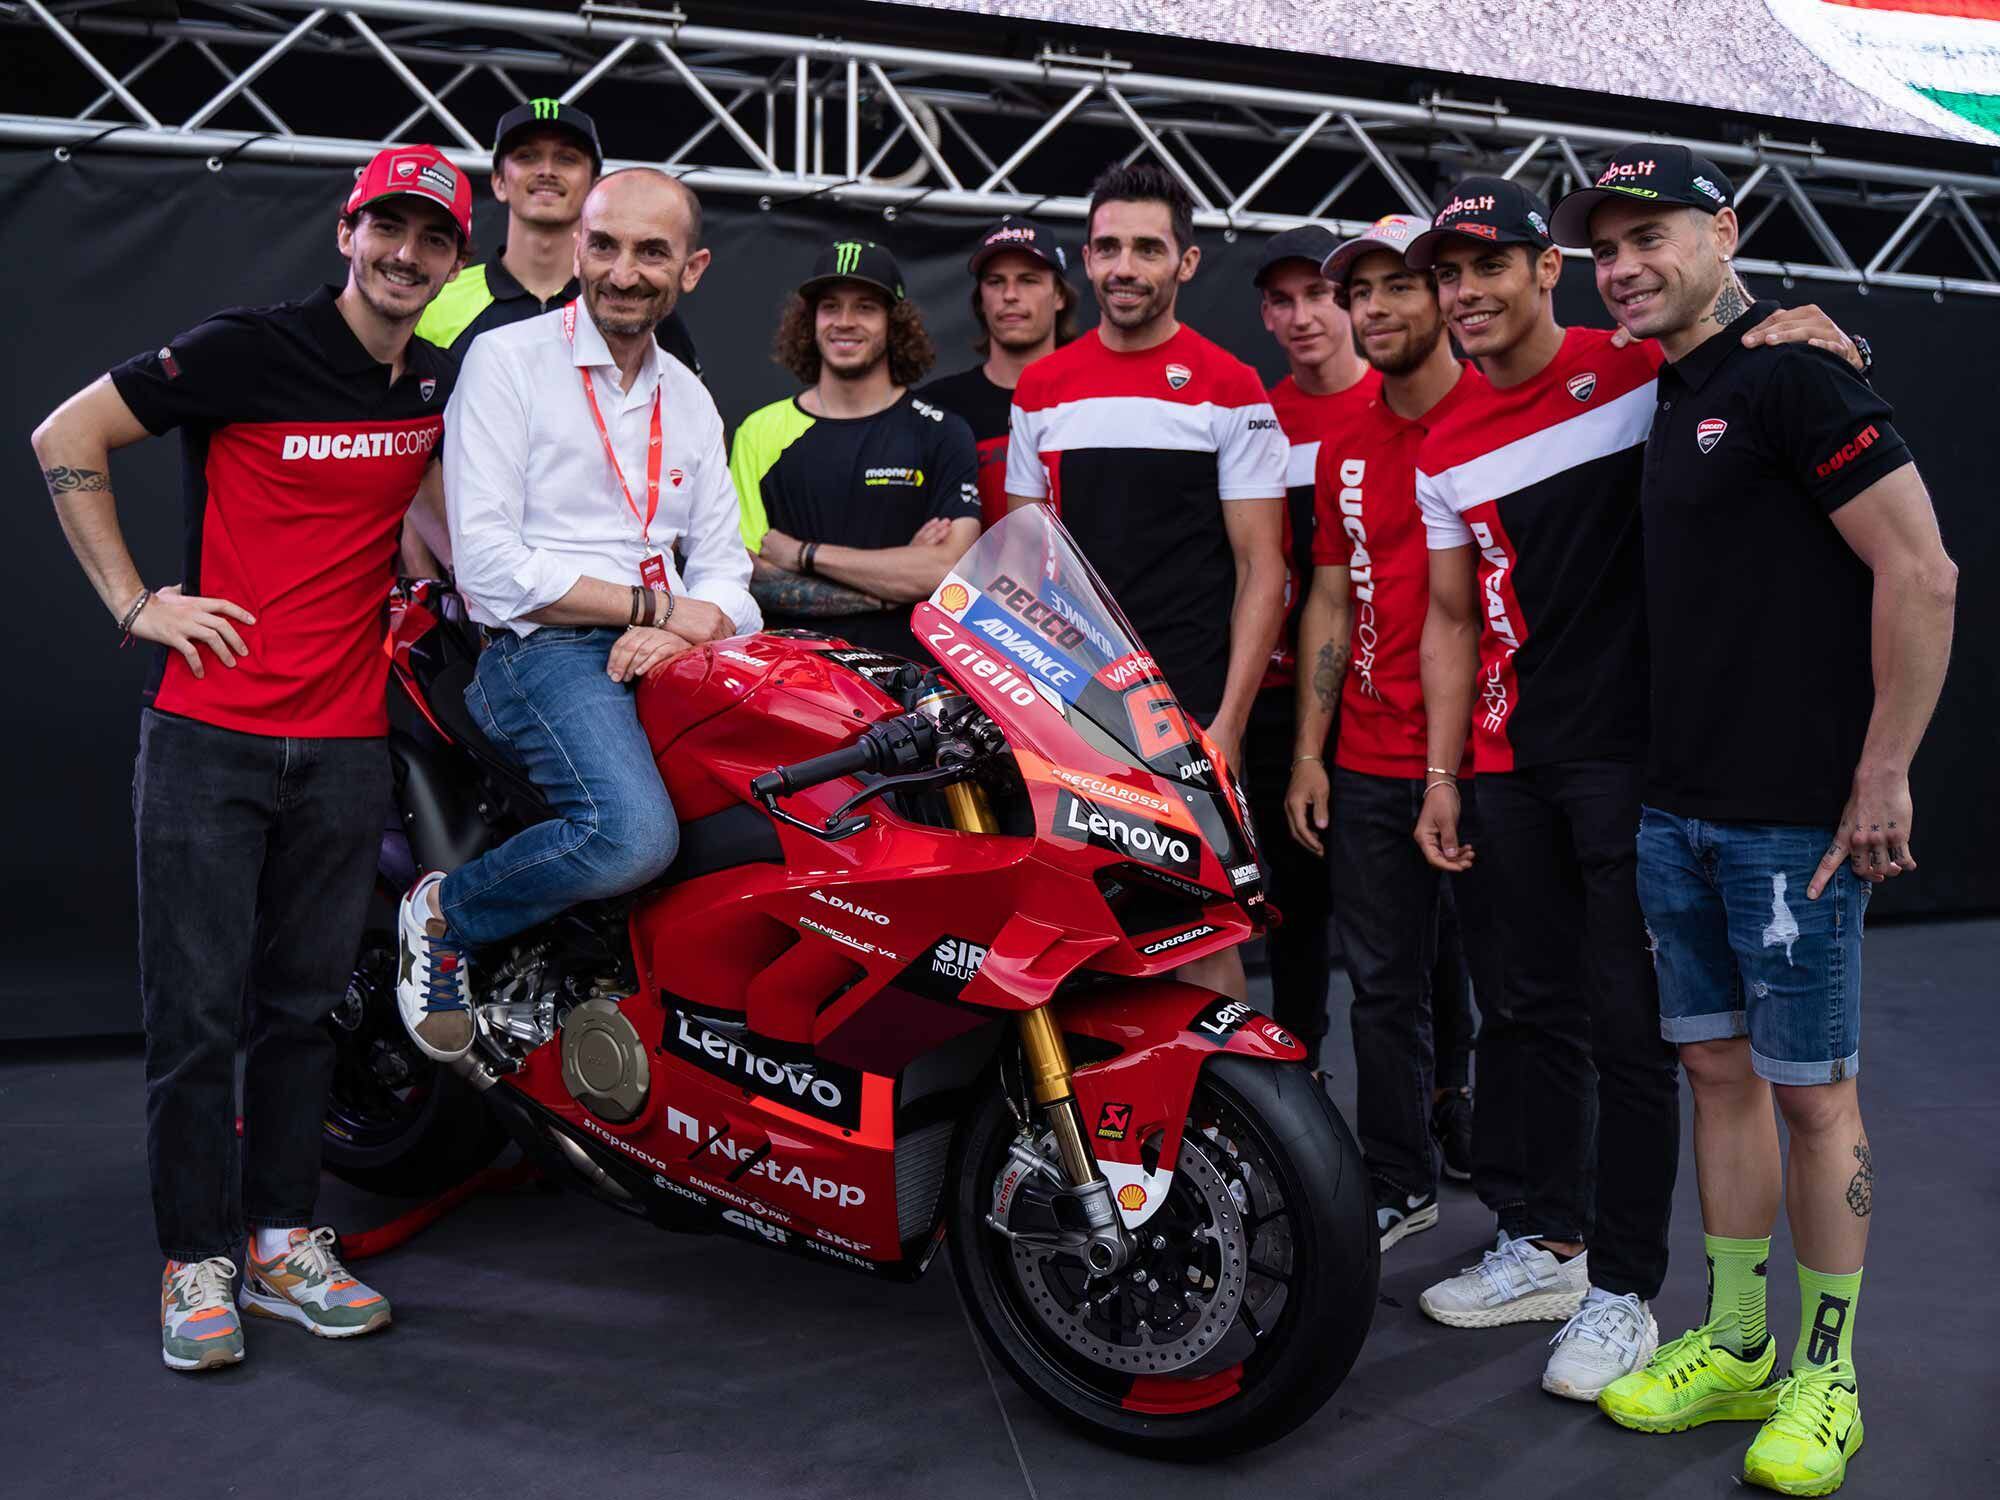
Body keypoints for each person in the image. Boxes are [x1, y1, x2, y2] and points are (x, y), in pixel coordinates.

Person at [1405, 175, 1865, 1402]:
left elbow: (1756, 369)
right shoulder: (1440, 443)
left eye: (1485, 267)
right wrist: (1443, 772)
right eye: (1443, 275)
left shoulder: (1633, 364)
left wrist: (1820, 326)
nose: (1463, 295)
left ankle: (1622, 1291)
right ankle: (1545, 1247)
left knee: (1636, 1034)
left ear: (1538, 272)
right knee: (1524, 1016)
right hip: (1507, 764)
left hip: (1639, 763)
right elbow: (1450, 620)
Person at [1555, 144, 1955, 1497]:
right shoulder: (1679, 389)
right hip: (1679, 813)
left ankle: (1825, 1373)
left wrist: (1885, 770)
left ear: (1725, 230)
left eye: (1650, 235)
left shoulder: (1794, 374)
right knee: (1718, 1079)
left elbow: (1925, 571)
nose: (1623, 266)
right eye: (1604, 249)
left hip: (1798, 825)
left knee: (1813, 1098)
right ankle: (1736, 1346)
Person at [31, 143, 471, 1369]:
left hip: (342, 749)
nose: (404, 254)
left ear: (453, 261)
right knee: (195, 1018)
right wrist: (133, 603)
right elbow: (65, 436)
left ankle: (283, 1242)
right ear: (347, 231)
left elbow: (429, 528)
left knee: (302, 1015)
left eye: (431, 239)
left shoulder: (432, 385)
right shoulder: (245, 348)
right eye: (386, 229)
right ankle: (195, 1264)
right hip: (207, 744)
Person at [394, 169, 758, 1062]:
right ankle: (446, 914)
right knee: (629, 837)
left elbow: (733, 577)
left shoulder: (693, 400)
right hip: (540, 650)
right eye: (605, 246)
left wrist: (682, 623)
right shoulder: (509, 358)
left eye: (652, 251)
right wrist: (663, 606)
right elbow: (490, 569)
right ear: (580, 248)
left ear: (694, 268)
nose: (623, 272)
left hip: (671, 651)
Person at [1283, 213, 1513, 1252]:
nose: (1370, 310)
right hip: (1369, 757)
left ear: (1443, 296)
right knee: (1380, 989)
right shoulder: (1342, 441)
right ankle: (1397, 1180)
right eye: (1356, 292)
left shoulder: (1504, 411)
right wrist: (1306, 751)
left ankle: (1532, 1215)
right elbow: (1327, 601)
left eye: (1394, 288)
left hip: (1496, 755)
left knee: (1517, 993)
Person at [1005, 164, 1287, 998]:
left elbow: (1261, 567)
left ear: (1186, 264)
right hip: (1069, 709)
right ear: (1086, 263)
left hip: (1185, 706)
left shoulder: (1231, 387)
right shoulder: (1041, 387)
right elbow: (1026, 558)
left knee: (1205, 940)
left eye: (1147, 248)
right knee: (1081, 936)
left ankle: (1230, 1117)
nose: (1125, 266)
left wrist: (1227, 727)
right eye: (1108, 248)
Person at [1247, 224, 1375, 1073]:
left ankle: (1444, 1094)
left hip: (1394, 696)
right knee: (1292, 906)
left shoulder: (1408, 399)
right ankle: (1301, 1073)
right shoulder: (1254, 419)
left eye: (1321, 295)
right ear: (1264, 315)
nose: (1304, 316)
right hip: (1284, 700)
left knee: (1416, 917)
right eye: (1284, 301)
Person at [732, 239, 981, 663]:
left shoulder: (941, 431)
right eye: (830, 307)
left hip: (912, 681)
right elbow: (753, 579)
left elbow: (948, 574)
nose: (844, 322)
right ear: (809, 321)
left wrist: (802, 554)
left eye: (865, 307)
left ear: (894, 322)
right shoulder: (759, 432)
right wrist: (893, 587)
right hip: (795, 678)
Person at [416, 97, 703, 373]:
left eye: (567, 158)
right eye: (526, 156)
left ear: (595, 186)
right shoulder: (436, 300)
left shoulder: (632, 303)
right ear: (499, 181)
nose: (547, 171)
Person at [918, 216, 1078, 529]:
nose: (1010, 295)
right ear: (980, 300)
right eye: (995, 282)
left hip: (1075, 577)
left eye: (1028, 280)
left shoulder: (1093, 398)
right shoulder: (935, 408)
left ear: (1059, 296)